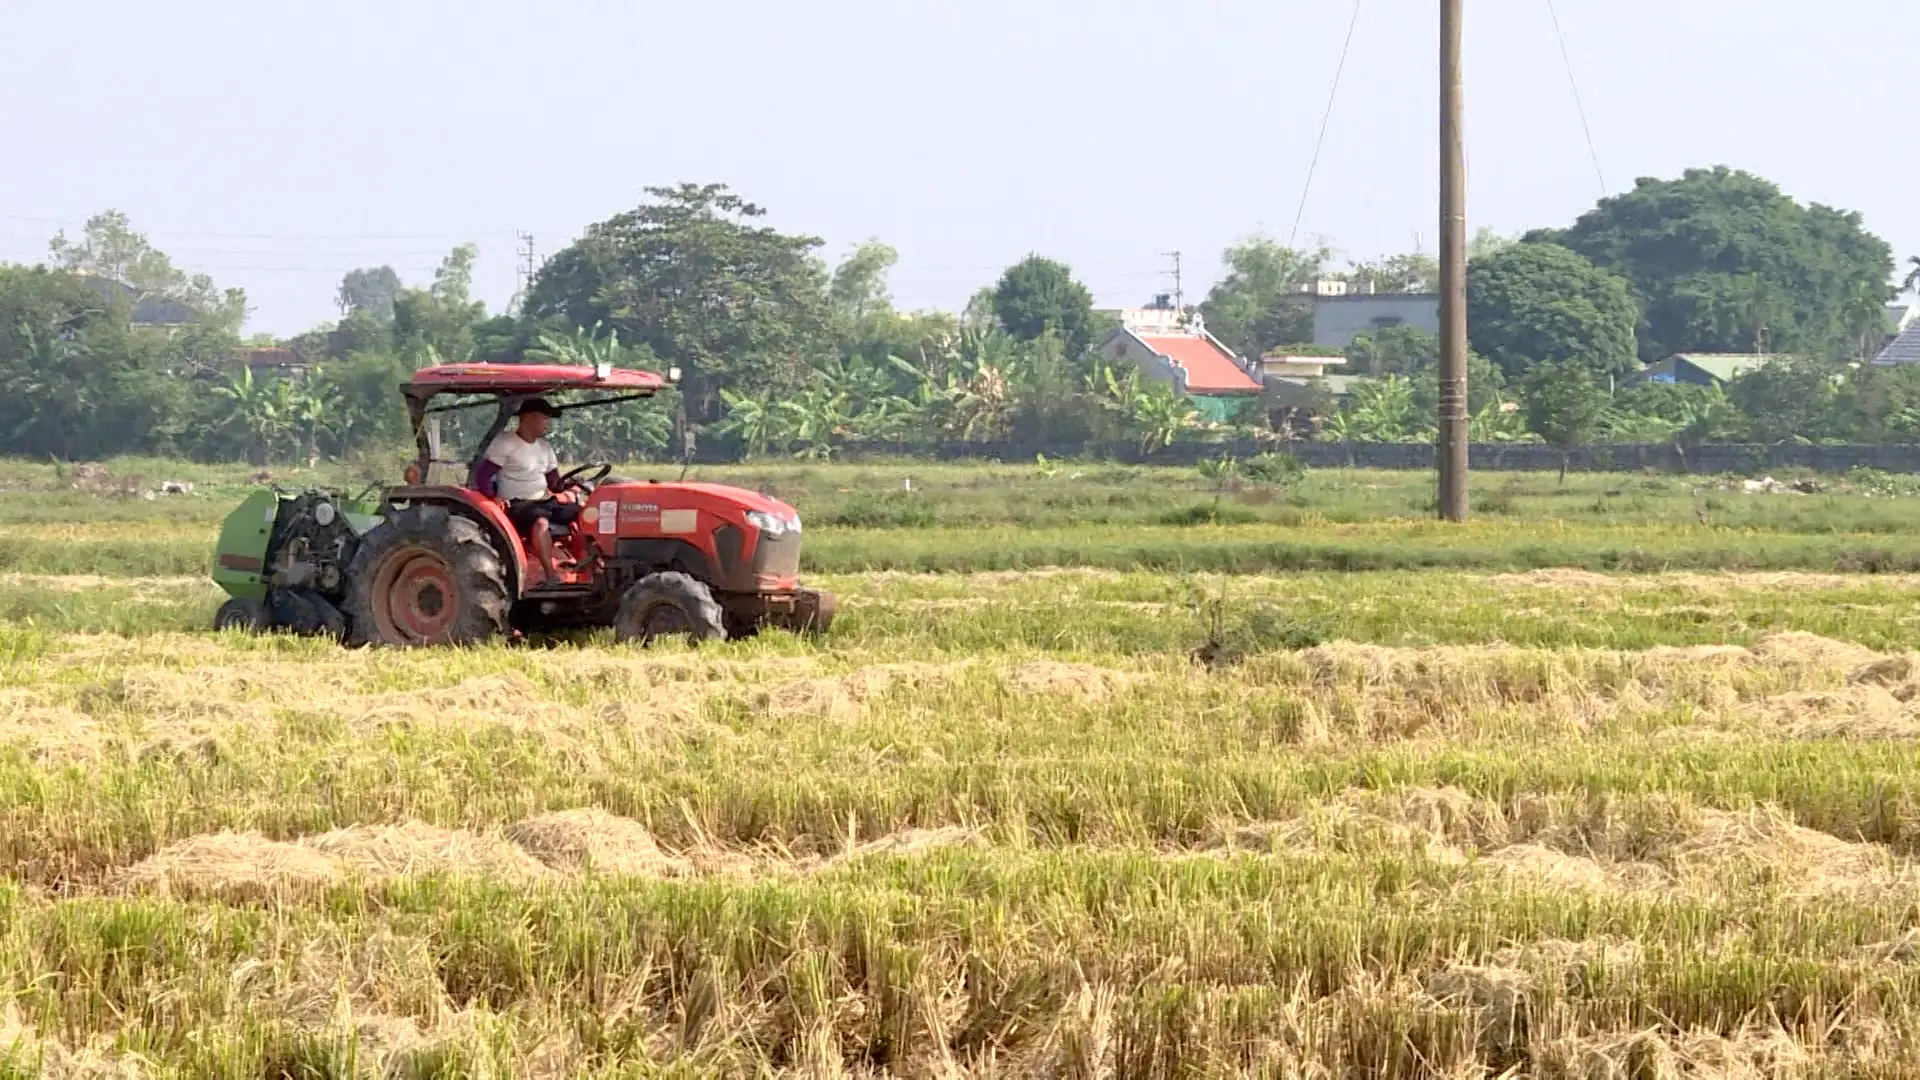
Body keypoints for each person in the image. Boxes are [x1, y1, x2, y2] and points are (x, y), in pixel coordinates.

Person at [473, 397, 578, 584]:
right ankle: (551, 576)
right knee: (541, 523)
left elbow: (554, 483)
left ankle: (588, 567)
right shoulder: (506, 443)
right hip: (518, 503)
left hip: (543, 501)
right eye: (544, 418)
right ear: (527, 418)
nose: (548, 424)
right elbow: (483, 475)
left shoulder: (545, 447)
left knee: (583, 513)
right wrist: (493, 497)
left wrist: (572, 486)